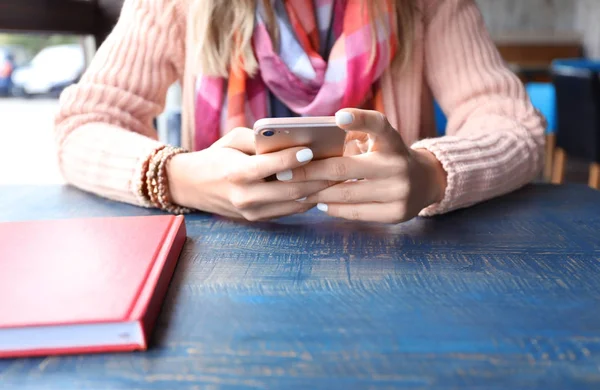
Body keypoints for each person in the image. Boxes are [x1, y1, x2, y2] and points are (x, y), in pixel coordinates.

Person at [54, 0, 545, 223]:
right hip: (218, 269)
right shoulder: (174, 5)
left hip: (393, 263)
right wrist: (178, 177)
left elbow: (514, 125)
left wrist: (433, 175)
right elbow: (83, 127)